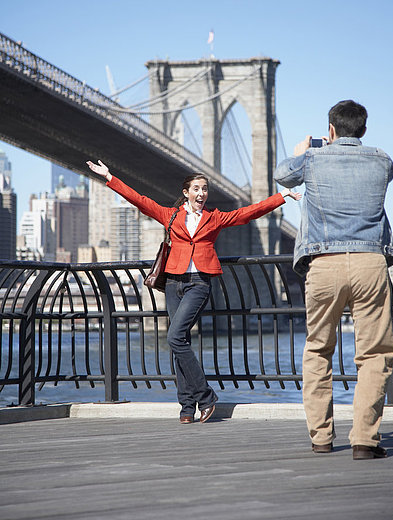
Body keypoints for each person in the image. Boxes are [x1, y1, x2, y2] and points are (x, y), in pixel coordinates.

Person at [87, 159, 301, 424]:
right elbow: (140, 200)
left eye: (205, 189)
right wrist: (110, 177)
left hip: (199, 283)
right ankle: (187, 408)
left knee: (175, 337)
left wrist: (281, 196)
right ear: (186, 192)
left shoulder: (215, 218)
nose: (202, 194)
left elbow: (248, 213)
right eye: (197, 189)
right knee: (181, 342)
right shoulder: (171, 215)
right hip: (174, 283)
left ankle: (206, 396)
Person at [274, 99, 393, 460]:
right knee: (375, 354)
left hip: (323, 264)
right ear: (363, 129)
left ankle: (322, 438)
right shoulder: (382, 159)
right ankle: (363, 439)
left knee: (318, 350)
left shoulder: (313, 159)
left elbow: (283, 174)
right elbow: (387, 175)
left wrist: (306, 152)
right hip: (370, 264)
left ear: (330, 130)